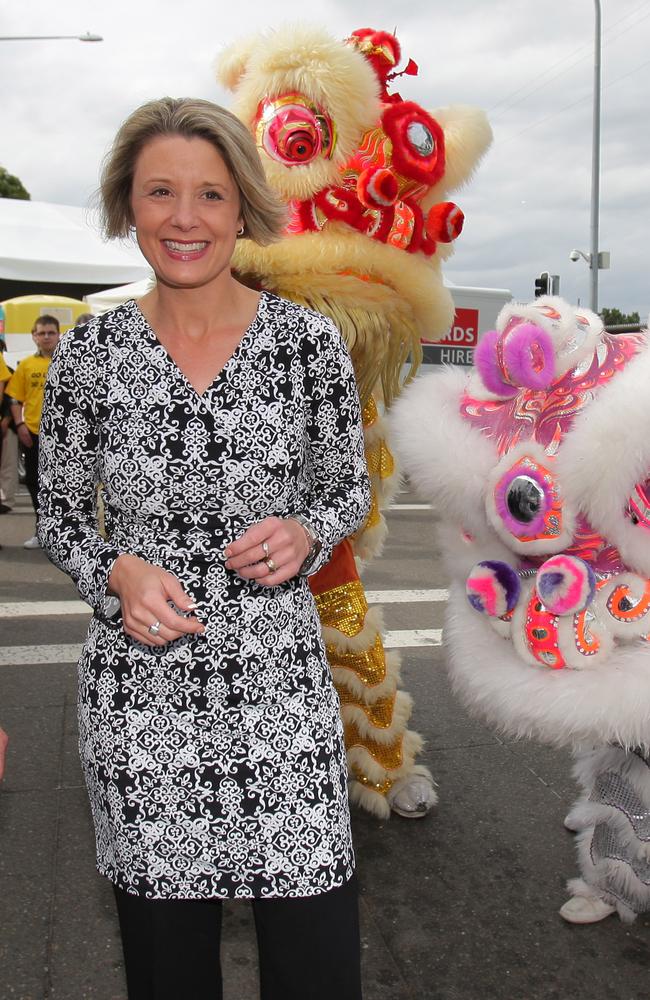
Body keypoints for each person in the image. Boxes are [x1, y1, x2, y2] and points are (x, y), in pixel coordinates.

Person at [37, 96, 370, 1000]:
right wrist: (114, 569)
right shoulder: (90, 356)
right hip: (141, 709)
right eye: (160, 193)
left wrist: (308, 528)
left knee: (316, 964)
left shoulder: (307, 346)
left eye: (211, 196)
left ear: (243, 209)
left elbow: (346, 486)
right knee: (168, 972)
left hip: (281, 699)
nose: (185, 219)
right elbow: (58, 515)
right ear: (127, 206)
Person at [6, 315, 61, 547]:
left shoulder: (68, 361)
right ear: (34, 336)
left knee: (67, 486)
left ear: (59, 334)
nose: (46, 337)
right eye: (41, 333)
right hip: (35, 434)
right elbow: (14, 398)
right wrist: (20, 426)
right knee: (35, 483)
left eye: (51, 332)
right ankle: (42, 531)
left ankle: (68, 536)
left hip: (65, 436)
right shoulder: (26, 365)